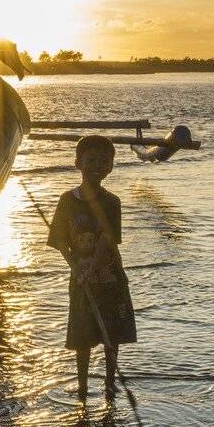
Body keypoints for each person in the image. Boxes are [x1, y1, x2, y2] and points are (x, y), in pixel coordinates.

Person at [46, 135, 136, 400]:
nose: (98, 166)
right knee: (81, 333)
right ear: (78, 163)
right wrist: (75, 268)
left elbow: (108, 239)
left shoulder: (111, 202)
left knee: (111, 334)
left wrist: (92, 267)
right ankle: (83, 386)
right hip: (80, 279)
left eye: (104, 162)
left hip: (110, 278)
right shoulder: (66, 200)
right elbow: (59, 240)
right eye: (91, 160)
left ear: (111, 167)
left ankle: (110, 383)